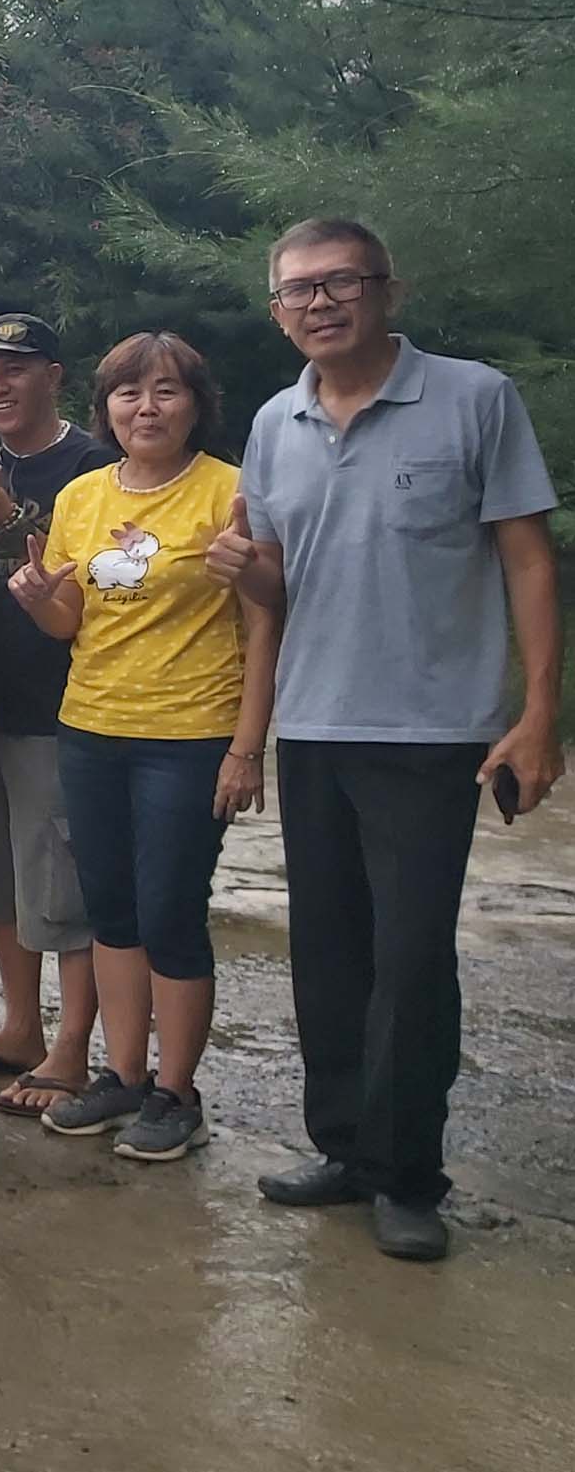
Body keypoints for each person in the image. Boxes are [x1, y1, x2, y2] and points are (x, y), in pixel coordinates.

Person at [219, 219, 560, 1261]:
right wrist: (246, 575)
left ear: (385, 290)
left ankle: (410, 1174)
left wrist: (541, 712)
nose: (318, 305)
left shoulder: (474, 398)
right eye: (295, 292)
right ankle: (347, 1150)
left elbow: (529, 562)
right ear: (277, 311)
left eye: (339, 284)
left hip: (429, 733)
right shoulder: (275, 423)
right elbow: (281, 593)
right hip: (313, 726)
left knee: (410, 961)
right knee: (327, 956)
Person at [10, 331, 277, 1162]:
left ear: (197, 403)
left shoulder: (230, 492)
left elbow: (267, 618)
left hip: (190, 734)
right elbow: (72, 621)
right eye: (129, 392)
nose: (147, 407)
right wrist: (35, 598)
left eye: (166, 391)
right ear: (107, 407)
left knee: (169, 910)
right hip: (89, 725)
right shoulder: (83, 496)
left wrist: (246, 747)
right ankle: (122, 1076)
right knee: (112, 911)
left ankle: (176, 1089)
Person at [0, 314, 110, 1117]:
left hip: (61, 709)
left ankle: (72, 1048)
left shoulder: (95, 467)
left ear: (55, 376)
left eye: (13, 369)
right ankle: (19, 1027)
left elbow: (97, 575)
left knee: (60, 882)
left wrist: (5, 520)